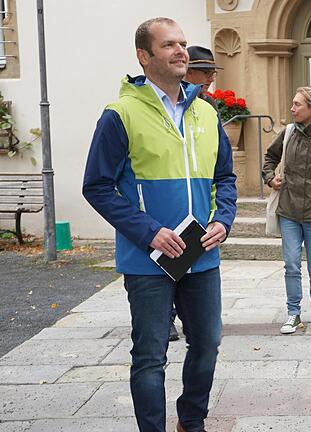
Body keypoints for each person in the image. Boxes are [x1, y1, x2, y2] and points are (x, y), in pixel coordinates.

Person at [82, 17, 237, 432]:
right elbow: (97, 187)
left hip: (201, 254)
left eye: (183, 43)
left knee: (207, 345)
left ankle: (192, 421)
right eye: (168, 44)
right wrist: (149, 231)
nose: (180, 51)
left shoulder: (205, 112)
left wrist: (223, 219)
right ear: (144, 56)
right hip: (147, 258)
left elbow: (225, 177)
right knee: (150, 355)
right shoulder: (120, 114)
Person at [164, 45, 223, 343]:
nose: (211, 77)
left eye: (213, 72)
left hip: (203, 208)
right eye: (206, 72)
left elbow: (222, 169)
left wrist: (222, 216)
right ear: (189, 73)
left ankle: (189, 318)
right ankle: (167, 318)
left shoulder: (209, 107)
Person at [262, 87, 311, 334]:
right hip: (288, 210)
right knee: (291, 264)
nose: (292, 109)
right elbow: (269, 158)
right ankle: (293, 313)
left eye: (297, 104)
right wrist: (270, 178)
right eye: (292, 103)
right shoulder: (287, 132)